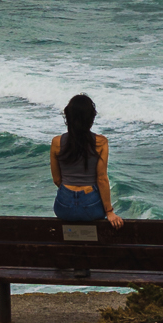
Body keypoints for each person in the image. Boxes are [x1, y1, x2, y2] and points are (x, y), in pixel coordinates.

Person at [50, 93, 124, 227]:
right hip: (91, 206)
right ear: (91, 118)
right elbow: (101, 179)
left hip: (64, 207)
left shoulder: (57, 142)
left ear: (68, 117)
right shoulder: (101, 142)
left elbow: (57, 179)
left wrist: (69, 194)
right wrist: (109, 211)